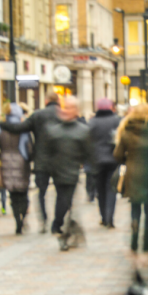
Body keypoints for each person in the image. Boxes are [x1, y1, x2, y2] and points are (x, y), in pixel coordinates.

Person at [0, 93, 61, 232]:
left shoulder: (37, 115)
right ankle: (58, 221)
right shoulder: (63, 114)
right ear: (58, 101)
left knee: (41, 193)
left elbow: (19, 128)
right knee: (60, 193)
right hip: (60, 161)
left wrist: (1, 124)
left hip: (42, 161)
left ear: (46, 100)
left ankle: (43, 221)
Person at [44, 96, 92, 249]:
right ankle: (60, 228)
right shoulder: (53, 130)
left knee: (66, 202)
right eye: (65, 107)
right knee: (63, 201)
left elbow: (88, 153)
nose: (66, 110)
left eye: (70, 107)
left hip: (72, 172)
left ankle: (61, 229)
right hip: (57, 173)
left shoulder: (83, 131)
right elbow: (46, 152)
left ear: (76, 111)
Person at [114, 102, 148, 252]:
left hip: (133, 172)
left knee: (135, 206)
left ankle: (134, 233)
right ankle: (146, 240)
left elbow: (117, 155)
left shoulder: (126, 131)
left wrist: (127, 160)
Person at [0, 103, 33, 234]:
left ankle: (17, 222)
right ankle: (23, 217)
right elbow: (30, 148)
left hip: (6, 164)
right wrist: (29, 159)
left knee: (13, 195)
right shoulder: (24, 129)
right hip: (22, 164)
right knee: (23, 193)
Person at [88, 98, 122, 228]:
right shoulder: (117, 121)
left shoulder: (92, 122)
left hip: (97, 161)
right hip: (113, 159)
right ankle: (110, 217)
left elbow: (88, 141)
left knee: (100, 190)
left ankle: (103, 217)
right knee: (111, 189)